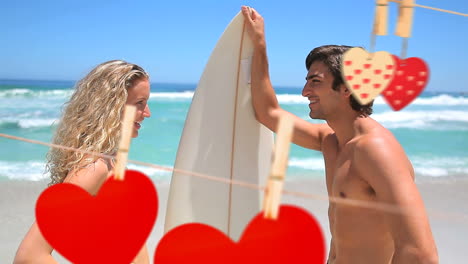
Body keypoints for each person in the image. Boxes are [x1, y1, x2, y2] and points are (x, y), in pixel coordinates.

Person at [241, 6, 438, 264]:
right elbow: (268, 113)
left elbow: (420, 253)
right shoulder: (331, 142)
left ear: (346, 89)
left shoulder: (375, 150)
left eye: (315, 82)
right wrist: (259, 45)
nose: (304, 91)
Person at [13, 60, 152, 264]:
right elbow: (29, 256)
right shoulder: (94, 166)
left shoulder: (110, 160)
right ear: (112, 106)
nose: (147, 113)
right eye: (140, 103)